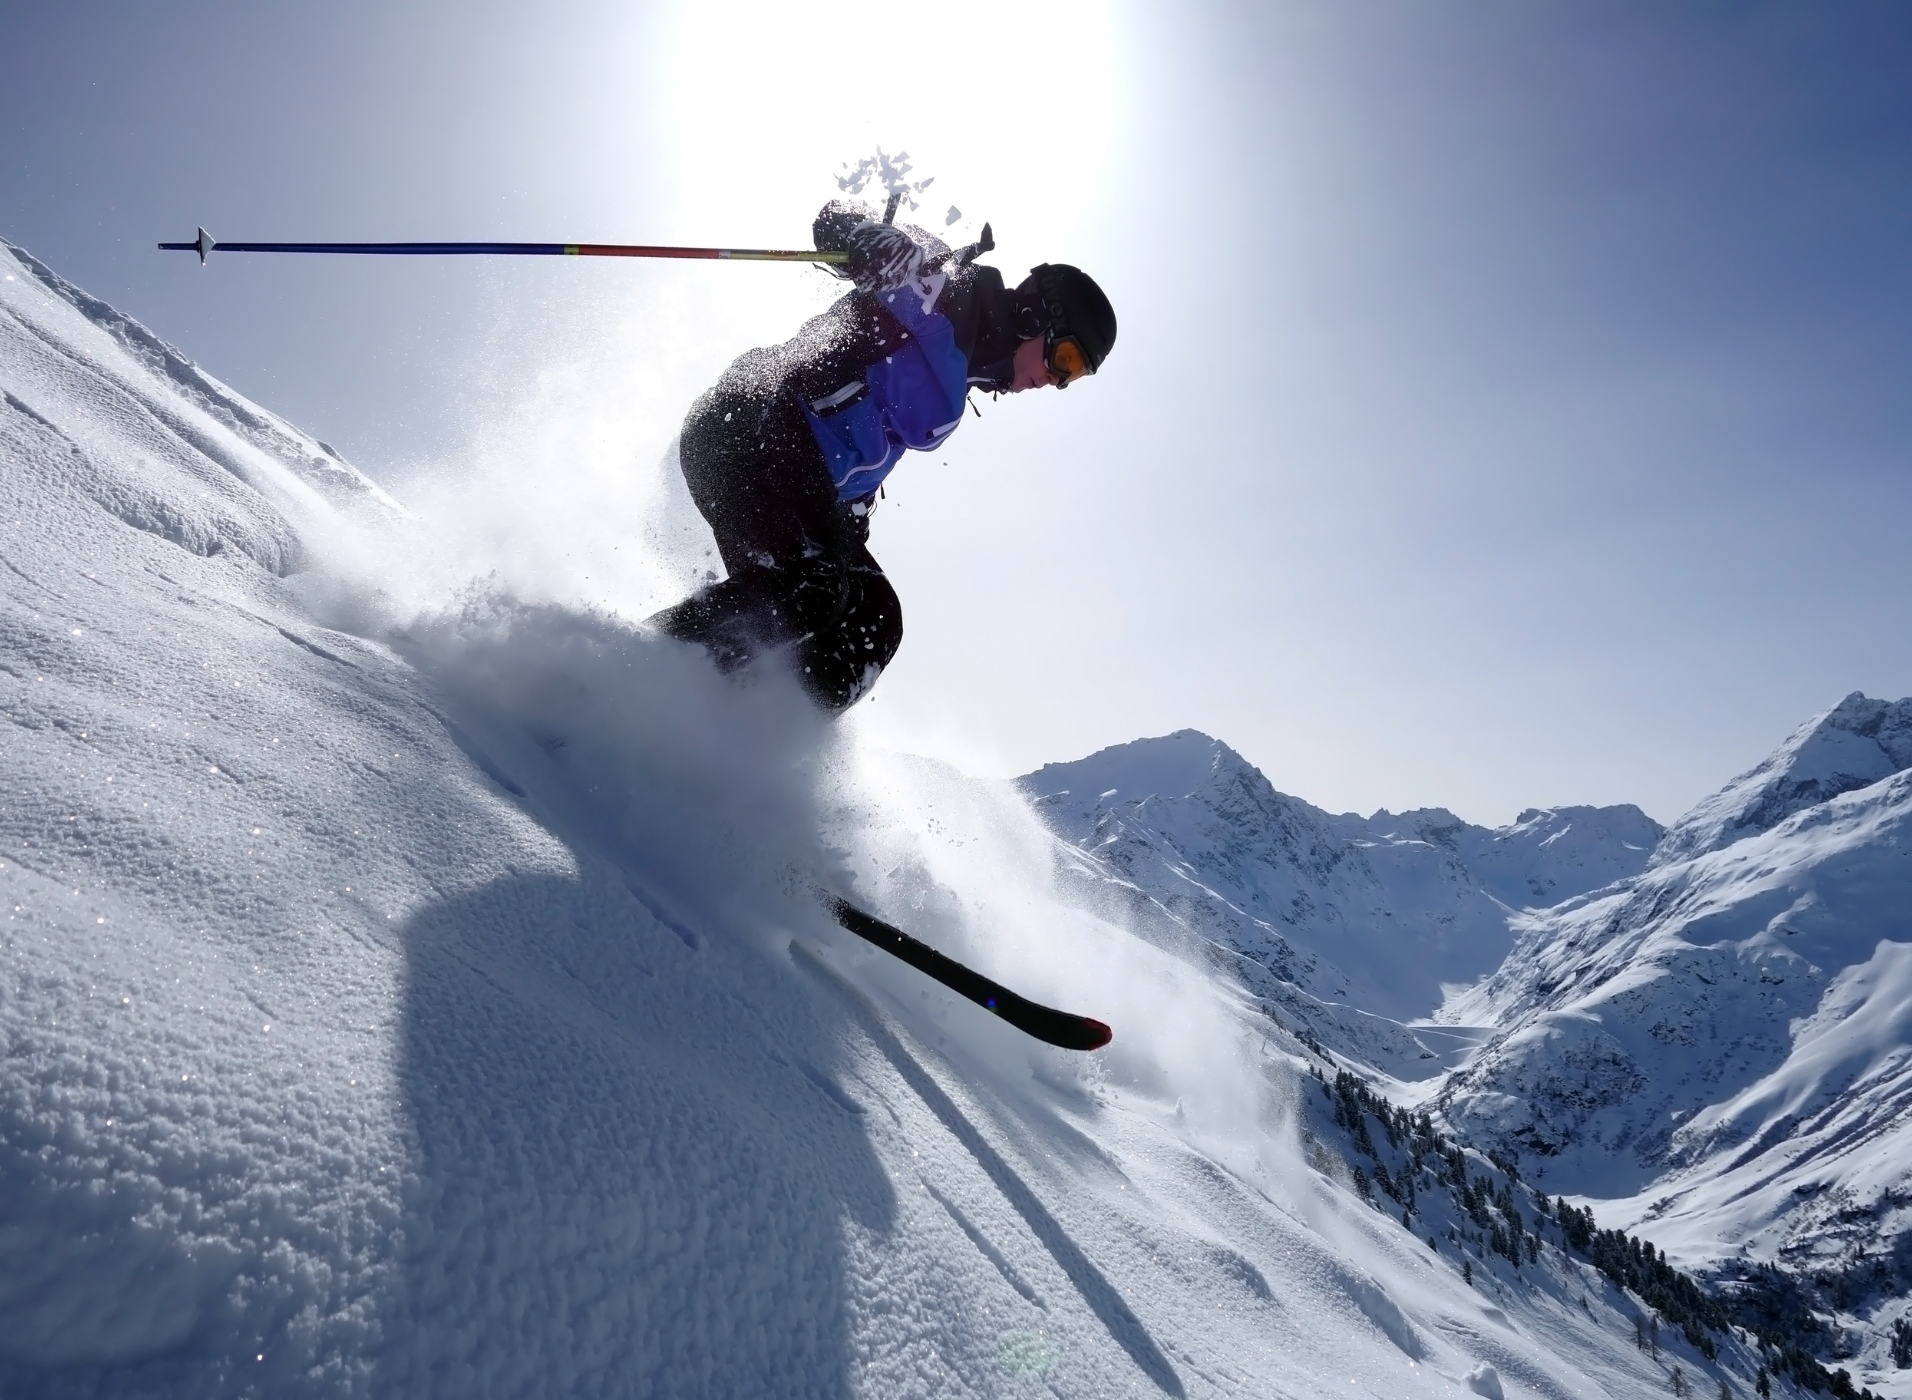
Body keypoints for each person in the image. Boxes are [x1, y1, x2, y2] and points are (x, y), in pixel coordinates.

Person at [646, 200, 1116, 712]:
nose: (1056, 379)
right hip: (749, 422)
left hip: (793, 472)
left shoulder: (962, 375)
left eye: (1074, 375)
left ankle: (742, 732)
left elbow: (858, 448)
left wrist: (848, 522)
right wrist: (870, 239)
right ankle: (632, 673)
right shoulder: (944, 290)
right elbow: (835, 220)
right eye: (1065, 357)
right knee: (814, 587)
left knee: (873, 616)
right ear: (1034, 315)